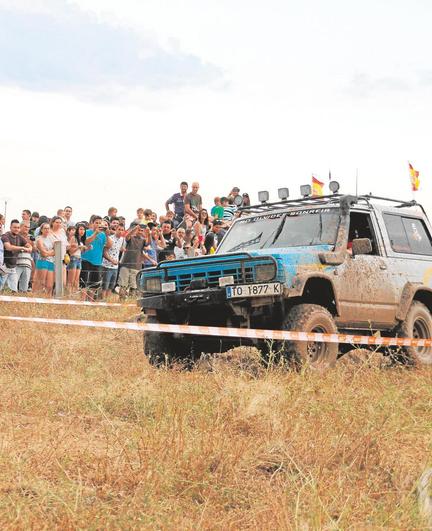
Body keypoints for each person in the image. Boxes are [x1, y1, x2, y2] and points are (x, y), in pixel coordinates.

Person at [80, 216, 112, 300]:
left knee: (94, 284)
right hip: (86, 260)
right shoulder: (87, 232)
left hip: (97, 262)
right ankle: (82, 301)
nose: (98, 224)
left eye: (99, 223)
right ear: (92, 223)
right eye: (96, 223)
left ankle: (90, 301)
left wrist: (107, 235)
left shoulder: (103, 235)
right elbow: (85, 242)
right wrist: (95, 233)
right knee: (84, 283)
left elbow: (109, 245)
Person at [119, 224, 154, 299]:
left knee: (134, 287)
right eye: (139, 230)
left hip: (136, 266)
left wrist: (149, 233)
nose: (140, 232)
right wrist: (134, 229)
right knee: (123, 285)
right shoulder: (131, 238)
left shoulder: (143, 240)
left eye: (142, 230)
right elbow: (127, 236)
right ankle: (121, 301)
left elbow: (148, 243)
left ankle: (131, 301)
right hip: (125, 265)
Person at [1, 219, 33, 292]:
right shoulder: (5, 236)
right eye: (14, 227)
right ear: (10, 227)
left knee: (14, 290)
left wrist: (30, 248)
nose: (17, 229)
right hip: (3, 267)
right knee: (1, 289)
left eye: (18, 227)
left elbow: (29, 246)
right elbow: (8, 247)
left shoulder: (19, 237)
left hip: (13, 267)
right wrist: (22, 248)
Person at [101, 222, 125, 299]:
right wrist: (111, 260)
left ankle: (107, 301)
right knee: (105, 286)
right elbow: (104, 252)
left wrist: (121, 249)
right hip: (107, 265)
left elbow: (118, 249)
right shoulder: (110, 238)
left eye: (122, 230)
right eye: (119, 229)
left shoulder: (122, 239)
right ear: (115, 230)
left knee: (111, 286)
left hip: (115, 267)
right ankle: (103, 300)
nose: (120, 231)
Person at [34, 223, 55, 294]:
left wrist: (47, 253)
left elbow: (56, 251)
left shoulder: (51, 238)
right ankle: (36, 299)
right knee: (40, 283)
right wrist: (51, 252)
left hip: (51, 262)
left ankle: (47, 301)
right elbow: (43, 253)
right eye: (45, 228)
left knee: (49, 285)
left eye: (48, 228)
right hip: (42, 261)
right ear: (41, 230)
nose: (47, 230)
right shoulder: (39, 238)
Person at [15, 221, 34, 292]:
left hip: (27, 261)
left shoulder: (30, 237)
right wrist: (24, 247)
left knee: (24, 284)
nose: (27, 228)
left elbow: (34, 250)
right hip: (16, 261)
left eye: (28, 227)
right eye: (25, 226)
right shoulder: (15, 235)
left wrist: (32, 244)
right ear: (21, 226)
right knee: (14, 282)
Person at [50, 215, 68, 287]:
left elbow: (66, 244)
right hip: (53, 258)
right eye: (57, 222)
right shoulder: (49, 232)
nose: (58, 224)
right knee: (54, 281)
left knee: (63, 283)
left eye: (60, 223)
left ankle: (60, 297)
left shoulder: (62, 231)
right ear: (52, 223)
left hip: (63, 258)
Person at [66, 225, 85, 293]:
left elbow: (81, 252)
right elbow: (70, 251)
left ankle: (73, 295)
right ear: (77, 230)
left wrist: (86, 248)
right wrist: (78, 247)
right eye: (80, 229)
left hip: (79, 259)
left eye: (83, 229)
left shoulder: (81, 239)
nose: (82, 231)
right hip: (73, 258)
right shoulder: (74, 238)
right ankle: (68, 295)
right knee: (71, 280)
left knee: (76, 280)